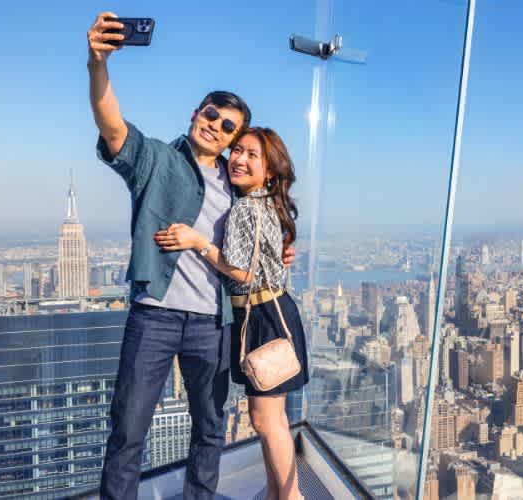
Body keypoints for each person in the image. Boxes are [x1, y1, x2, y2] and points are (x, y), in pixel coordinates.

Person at [86, 12, 295, 499]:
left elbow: (266, 220)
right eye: (210, 115)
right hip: (154, 316)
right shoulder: (155, 159)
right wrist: (98, 64)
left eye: (227, 126)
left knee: (210, 430)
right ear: (195, 114)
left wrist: (284, 243)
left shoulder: (238, 183)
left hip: (212, 323)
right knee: (127, 433)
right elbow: (111, 124)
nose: (216, 127)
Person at [155, 127, 309, 500]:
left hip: (262, 316)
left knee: (265, 420)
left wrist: (198, 242)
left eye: (251, 155)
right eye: (236, 151)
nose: (239, 159)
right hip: (272, 312)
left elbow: (242, 272)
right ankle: (277, 494)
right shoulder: (267, 203)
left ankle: (291, 497)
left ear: (270, 170)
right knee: (273, 419)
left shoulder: (244, 207)